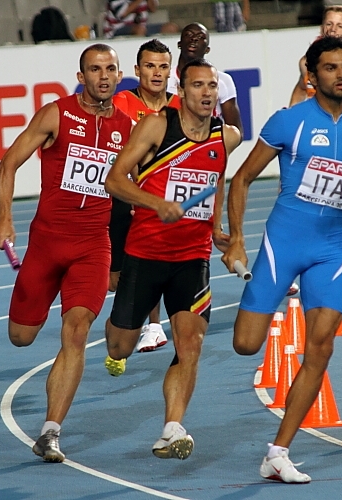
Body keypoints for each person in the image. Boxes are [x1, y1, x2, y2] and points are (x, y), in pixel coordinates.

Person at [222, 36, 342, 482]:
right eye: (331, 68)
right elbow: (241, 181)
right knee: (246, 344)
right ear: (311, 77)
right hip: (284, 242)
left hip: (331, 250)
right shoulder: (288, 122)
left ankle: (278, 452)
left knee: (321, 348)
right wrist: (236, 239)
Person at [0, 44, 132, 463]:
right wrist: (4, 218)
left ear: (119, 74)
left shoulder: (128, 126)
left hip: (93, 245)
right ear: (81, 74)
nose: (103, 76)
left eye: (110, 69)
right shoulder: (56, 113)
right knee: (21, 337)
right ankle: (42, 302)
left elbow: (140, 181)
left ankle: (50, 432)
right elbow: (9, 163)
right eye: (95, 69)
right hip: (47, 242)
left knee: (77, 331)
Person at [104, 59, 242, 460]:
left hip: (192, 257)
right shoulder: (157, 126)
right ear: (182, 89)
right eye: (198, 85)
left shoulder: (226, 136)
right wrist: (155, 203)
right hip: (145, 253)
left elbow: (216, 179)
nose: (206, 93)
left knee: (191, 343)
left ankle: (173, 427)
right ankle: (116, 326)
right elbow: (114, 180)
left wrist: (218, 228)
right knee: (119, 347)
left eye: (212, 86)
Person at [107, 39, 181, 361]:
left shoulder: (179, 106)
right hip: (123, 200)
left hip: (159, 204)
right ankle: (123, 327)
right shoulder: (122, 102)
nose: (156, 72)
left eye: (163, 66)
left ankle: (155, 325)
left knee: (157, 263)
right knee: (116, 283)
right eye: (150, 66)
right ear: (137, 70)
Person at [167, 23, 243, 135]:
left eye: (200, 37)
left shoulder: (223, 80)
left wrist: (211, 148)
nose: (194, 39)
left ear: (207, 49)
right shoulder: (165, 79)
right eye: (189, 35)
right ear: (179, 44)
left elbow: (236, 132)